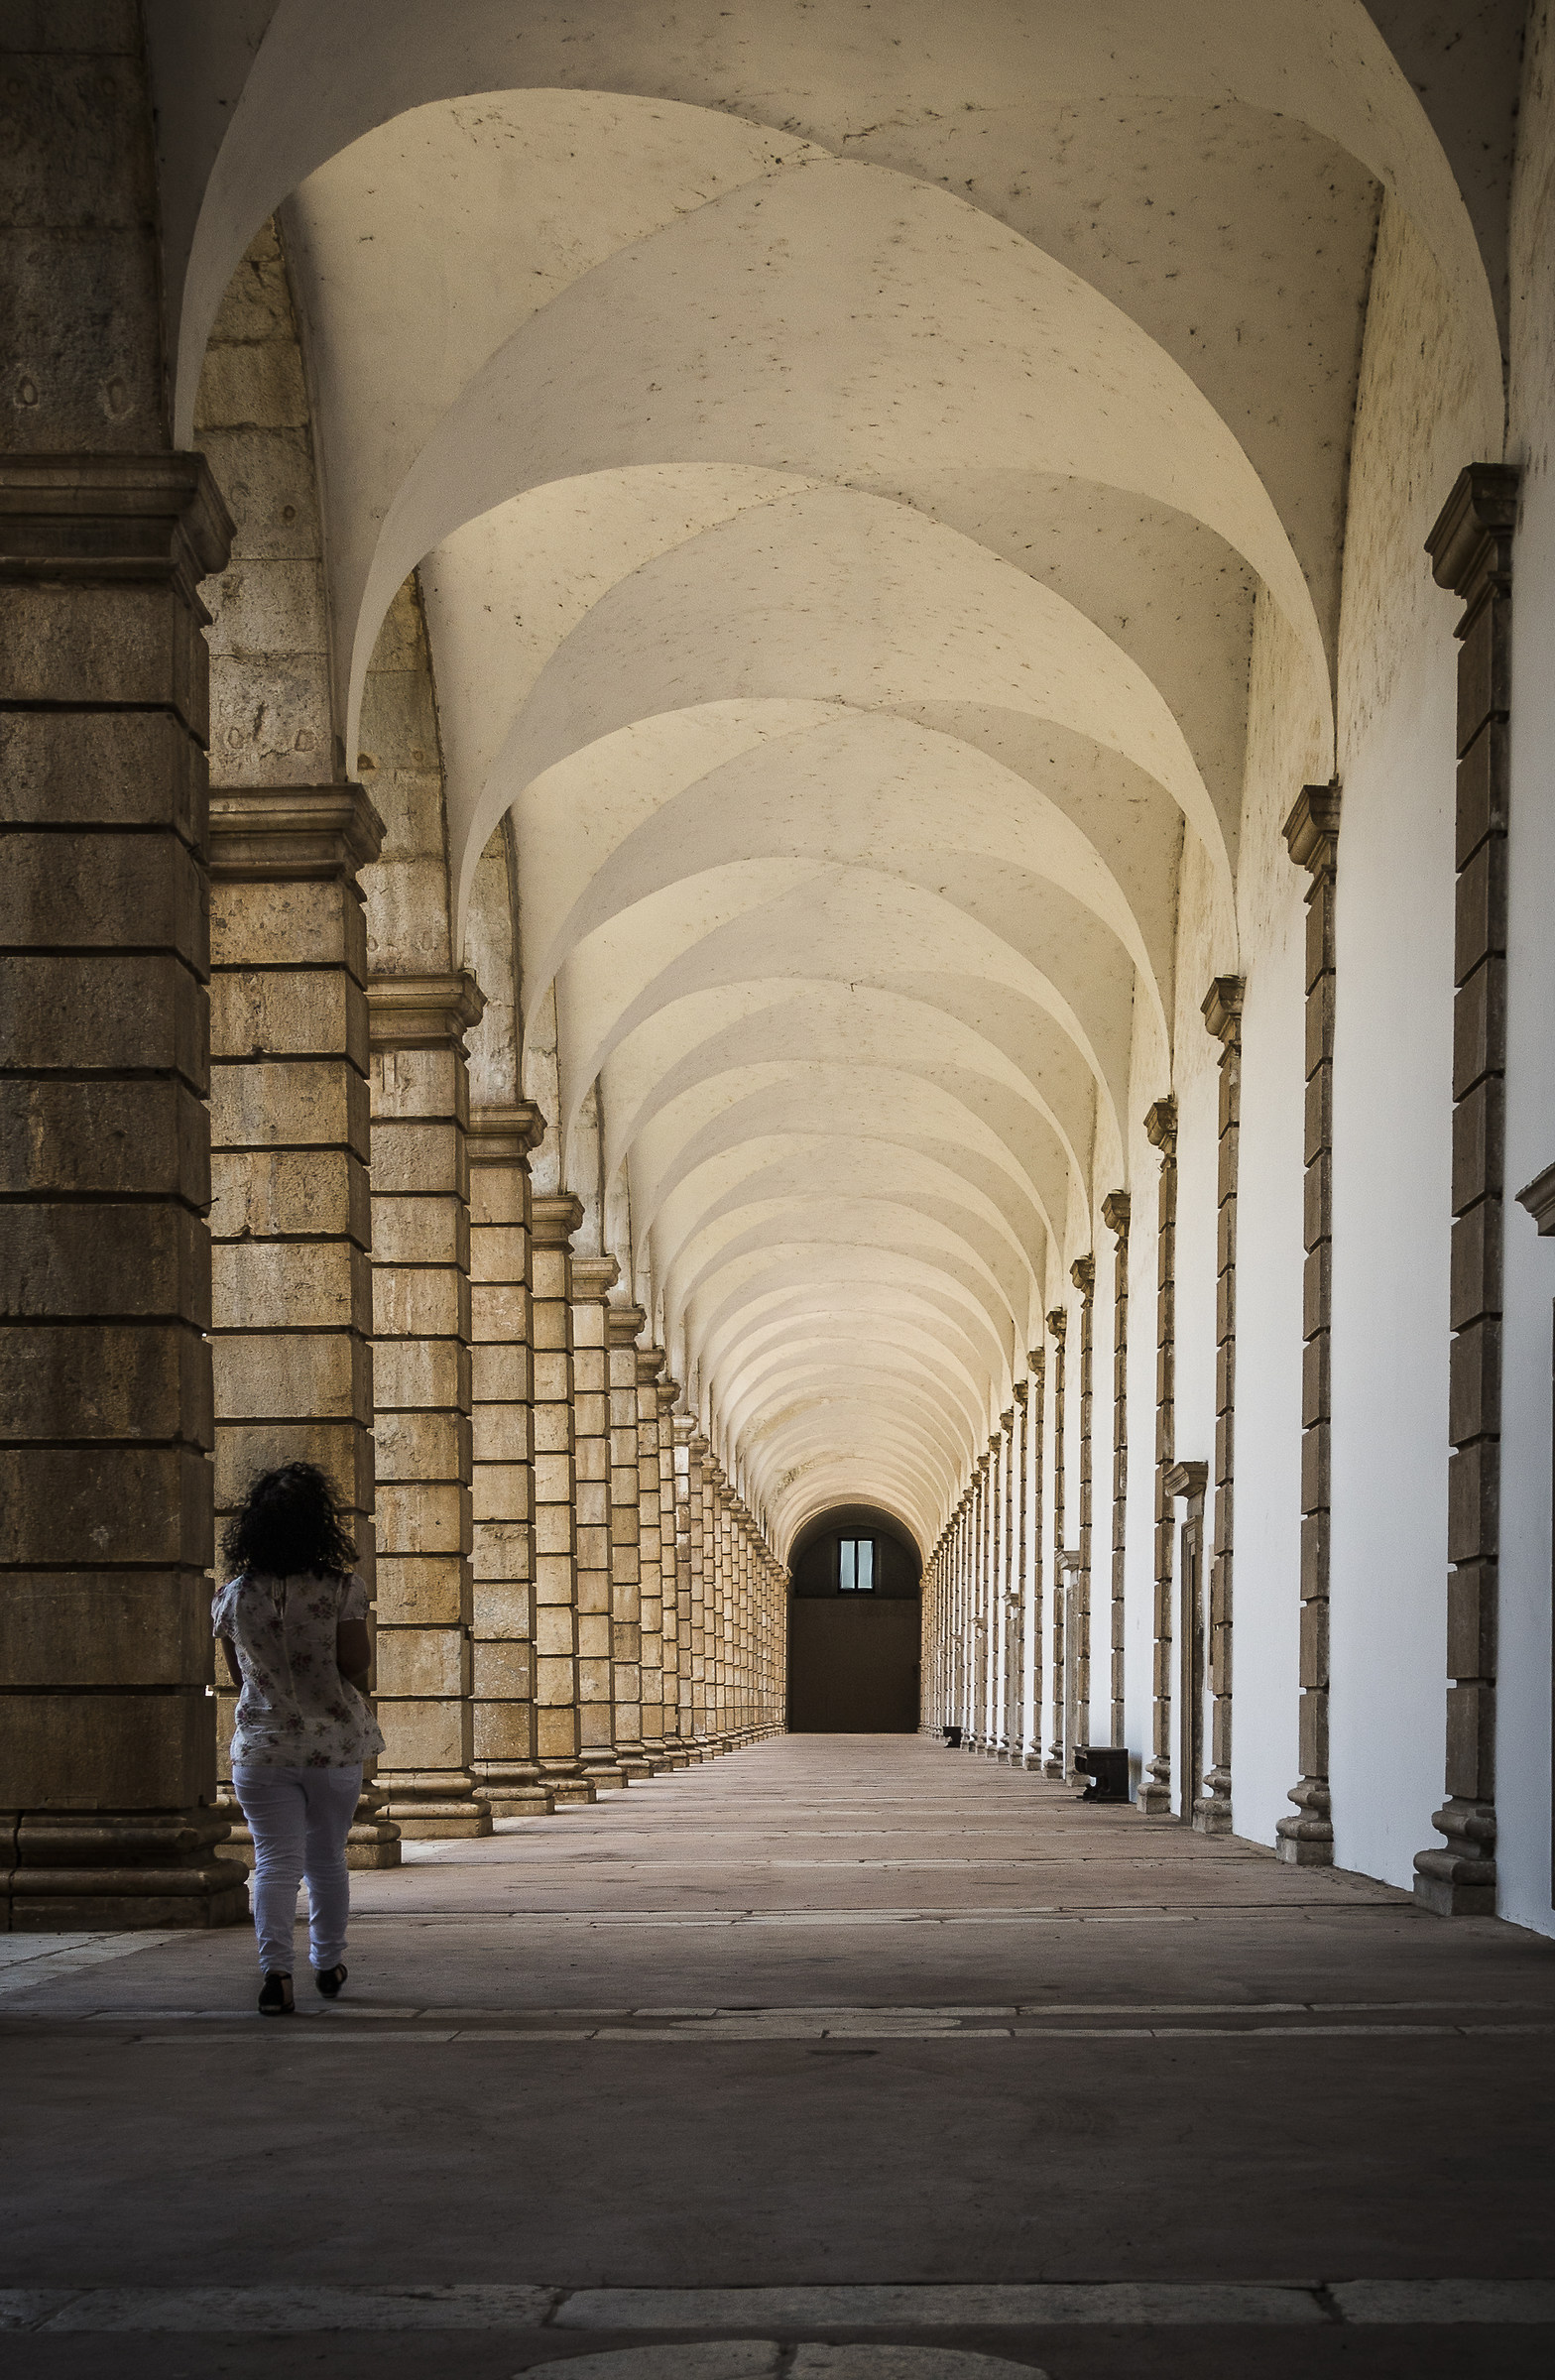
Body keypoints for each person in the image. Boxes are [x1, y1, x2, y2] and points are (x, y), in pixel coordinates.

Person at [213, 1463, 385, 2016]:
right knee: (326, 1858)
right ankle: (328, 1963)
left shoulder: (234, 1595)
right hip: (331, 1745)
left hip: (261, 1748)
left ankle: (276, 1975)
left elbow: (238, 1677)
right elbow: (355, 1663)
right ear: (319, 1525)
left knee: (273, 1862)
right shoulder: (341, 1589)